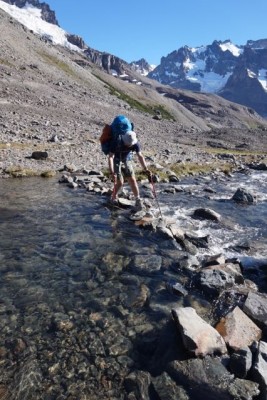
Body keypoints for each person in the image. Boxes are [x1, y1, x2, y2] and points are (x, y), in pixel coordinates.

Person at [108, 130, 152, 211]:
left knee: (132, 179)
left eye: (130, 144)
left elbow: (140, 156)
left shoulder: (135, 144)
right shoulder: (117, 141)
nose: (129, 145)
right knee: (120, 181)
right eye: (128, 144)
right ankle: (113, 197)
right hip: (116, 160)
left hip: (127, 159)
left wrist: (146, 169)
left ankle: (137, 199)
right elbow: (111, 157)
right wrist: (112, 171)